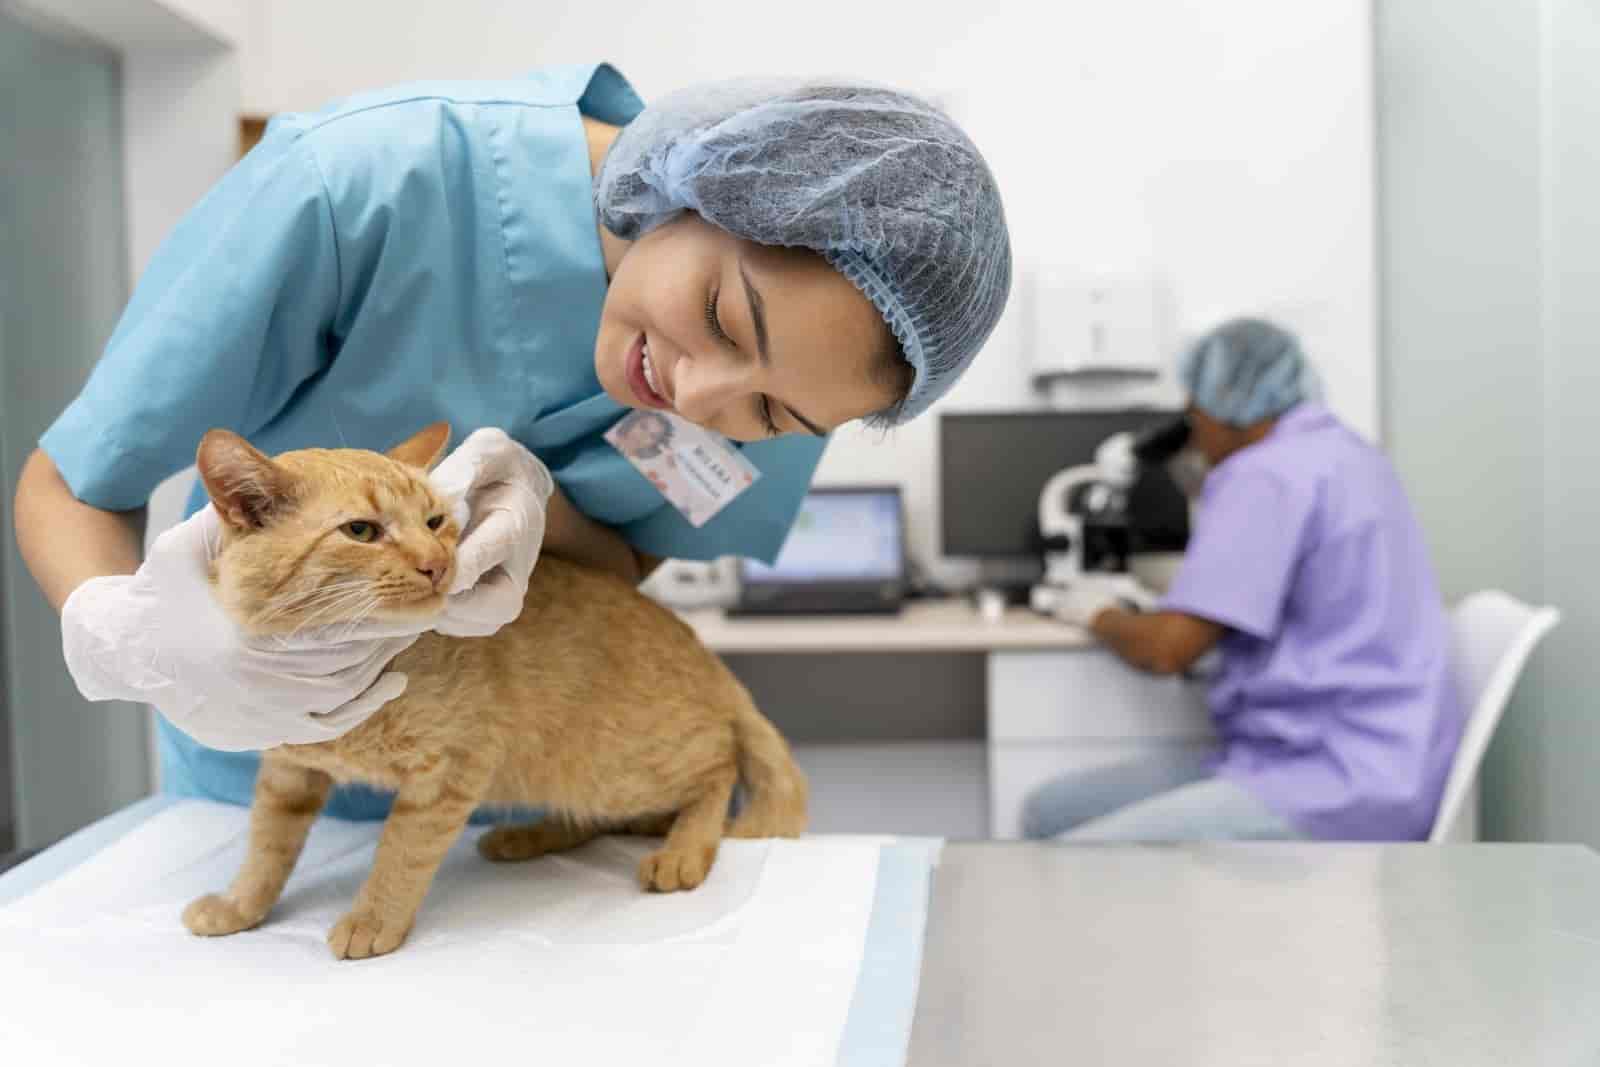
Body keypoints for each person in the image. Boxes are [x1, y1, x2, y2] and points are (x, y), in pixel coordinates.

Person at [12, 64, 1011, 819]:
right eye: (720, 311)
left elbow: (626, 561)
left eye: (772, 417)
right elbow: (72, 483)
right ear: (704, 191)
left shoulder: (803, 375)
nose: (700, 395)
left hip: (523, 786)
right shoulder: (362, 187)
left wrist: (537, 518)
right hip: (270, 784)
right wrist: (131, 634)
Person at [1024, 319, 1463, 842]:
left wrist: (1095, 611)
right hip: (1380, 760)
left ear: (1225, 402)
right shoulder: (1347, 453)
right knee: (1049, 810)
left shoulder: (1264, 476)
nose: (1193, 430)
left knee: (1061, 864)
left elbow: (1166, 651)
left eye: (1193, 410)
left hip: (1332, 783)